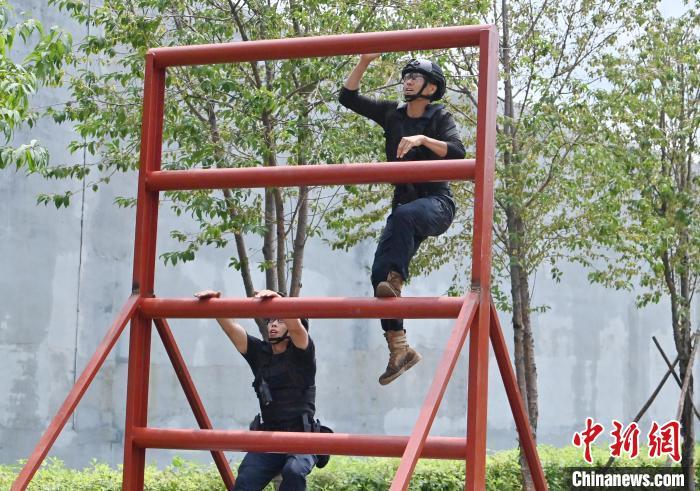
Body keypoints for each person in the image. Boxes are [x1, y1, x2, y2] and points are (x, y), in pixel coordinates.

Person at [339, 55, 466, 385]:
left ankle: (397, 281)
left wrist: (423, 140)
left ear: (431, 87)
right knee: (380, 275)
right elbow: (347, 97)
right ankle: (400, 348)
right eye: (406, 75)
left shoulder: (439, 116)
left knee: (405, 218)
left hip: (436, 204)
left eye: (415, 76)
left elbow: (458, 153)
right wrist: (364, 60)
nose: (407, 80)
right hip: (404, 210)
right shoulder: (391, 113)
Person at [195, 288, 321, 491]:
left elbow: (297, 329)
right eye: (271, 320)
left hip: (302, 436)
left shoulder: (303, 354)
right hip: (269, 437)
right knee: (246, 478)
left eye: (280, 320)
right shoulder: (260, 354)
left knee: (294, 471)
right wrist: (215, 303)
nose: (273, 324)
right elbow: (232, 329)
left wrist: (279, 300)